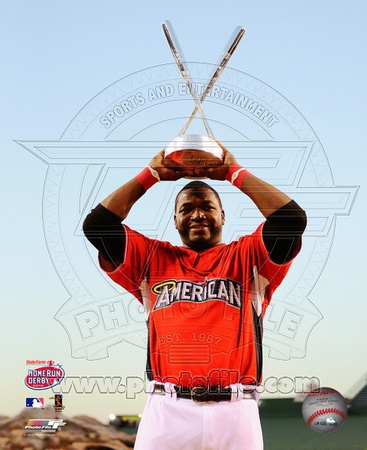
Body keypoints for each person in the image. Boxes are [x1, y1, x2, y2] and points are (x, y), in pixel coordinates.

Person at [83, 144, 306, 450]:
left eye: (207, 206)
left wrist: (232, 173)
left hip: (235, 408)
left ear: (223, 216)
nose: (198, 214)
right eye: (186, 209)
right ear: (174, 220)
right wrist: (151, 175)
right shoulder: (150, 258)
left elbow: (291, 220)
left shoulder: (248, 255)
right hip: (167, 408)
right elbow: (98, 226)